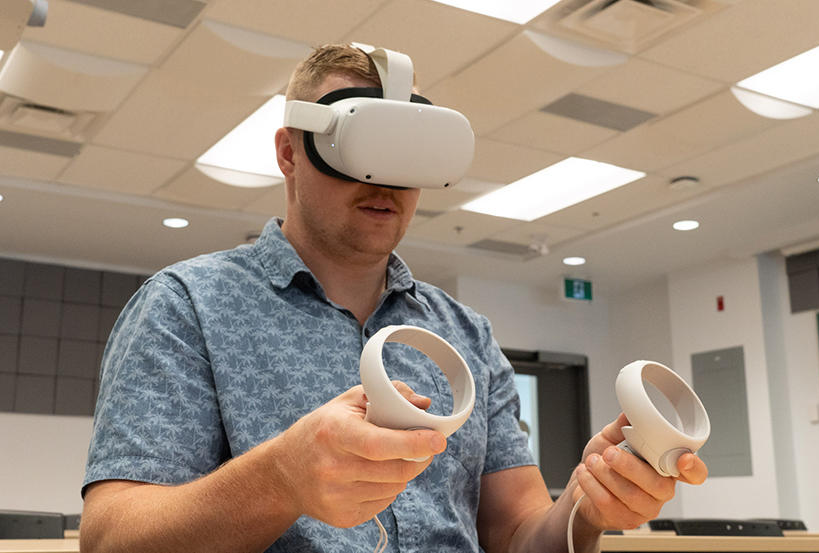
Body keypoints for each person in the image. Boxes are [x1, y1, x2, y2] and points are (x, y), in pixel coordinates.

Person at [79, 43, 707, 553]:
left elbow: (518, 537)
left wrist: (587, 506)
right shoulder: (186, 306)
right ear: (290, 152)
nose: (384, 182)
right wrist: (280, 479)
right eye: (359, 147)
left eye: (407, 154)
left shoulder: (466, 334)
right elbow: (111, 540)